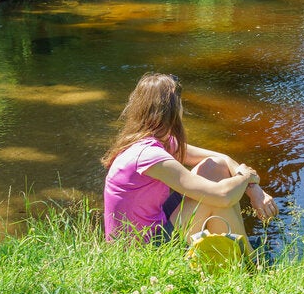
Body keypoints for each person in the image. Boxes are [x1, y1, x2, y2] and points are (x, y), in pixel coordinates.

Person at [102, 72, 277, 245]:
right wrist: (245, 177)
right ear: (171, 109)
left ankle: (236, 253)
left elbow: (221, 158)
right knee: (215, 202)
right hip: (142, 249)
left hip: (156, 225)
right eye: (180, 103)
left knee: (214, 166)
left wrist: (254, 190)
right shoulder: (148, 155)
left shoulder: (155, 142)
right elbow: (223, 196)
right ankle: (250, 263)